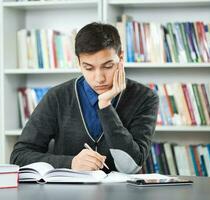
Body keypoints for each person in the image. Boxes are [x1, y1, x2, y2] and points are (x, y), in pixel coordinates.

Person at [10, 22, 159, 173]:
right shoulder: (57, 96)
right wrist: (70, 163)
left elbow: (130, 167)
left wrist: (105, 105)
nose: (99, 78)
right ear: (79, 63)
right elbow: (19, 156)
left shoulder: (145, 98)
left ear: (121, 58)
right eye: (88, 68)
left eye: (107, 66)